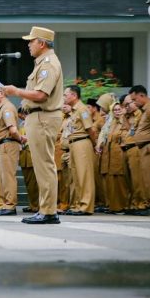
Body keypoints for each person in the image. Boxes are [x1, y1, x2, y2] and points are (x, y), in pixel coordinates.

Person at [3, 26, 63, 224]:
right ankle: (46, 210)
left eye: (31, 41)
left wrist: (16, 91)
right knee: (42, 166)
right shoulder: (42, 64)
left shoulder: (48, 64)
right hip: (37, 117)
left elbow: (40, 95)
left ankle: (48, 211)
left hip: (43, 117)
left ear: (42, 43)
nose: (28, 45)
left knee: (44, 166)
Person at [63, 85, 97, 215]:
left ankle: (86, 206)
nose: (64, 97)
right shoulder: (73, 111)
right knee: (76, 176)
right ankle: (78, 204)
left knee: (84, 175)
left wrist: (94, 145)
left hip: (82, 143)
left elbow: (91, 130)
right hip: (73, 144)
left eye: (66, 95)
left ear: (74, 95)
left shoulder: (82, 109)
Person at [0, 85, 22, 215]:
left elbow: (13, 130)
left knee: (8, 176)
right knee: (3, 176)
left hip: (7, 144)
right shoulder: (2, 108)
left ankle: (10, 205)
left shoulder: (7, 108)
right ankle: (5, 203)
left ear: (1, 93)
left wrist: (21, 139)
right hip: (2, 144)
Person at [128, 85, 150, 214]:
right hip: (144, 147)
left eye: (135, 100)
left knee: (149, 178)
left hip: (149, 147)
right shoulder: (145, 110)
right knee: (144, 178)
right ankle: (147, 203)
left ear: (142, 96)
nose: (134, 103)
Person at [100, 102, 131, 214]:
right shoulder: (112, 123)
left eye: (119, 109)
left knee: (120, 181)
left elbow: (128, 133)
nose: (117, 112)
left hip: (119, 154)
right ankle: (113, 206)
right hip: (110, 155)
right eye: (115, 110)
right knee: (111, 181)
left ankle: (123, 206)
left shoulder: (125, 121)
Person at [18, 109, 39, 213]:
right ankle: (32, 204)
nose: (21, 118)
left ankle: (37, 205)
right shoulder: (22, 124)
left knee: (34, 182)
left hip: (32, 154)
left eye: (22, 115)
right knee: (28, 182)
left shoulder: (35, 122)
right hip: (24, 155)